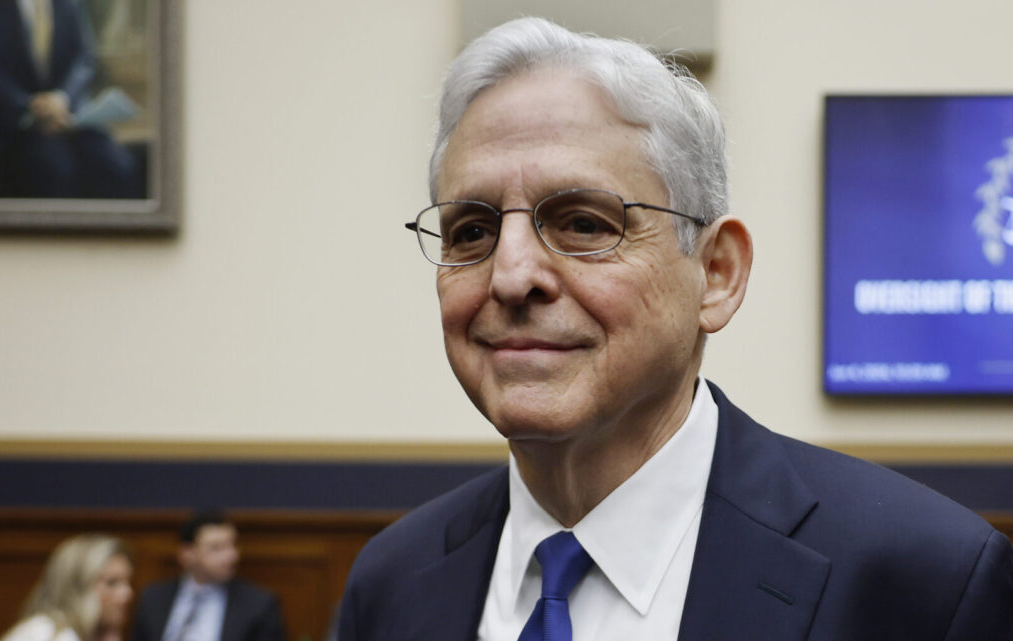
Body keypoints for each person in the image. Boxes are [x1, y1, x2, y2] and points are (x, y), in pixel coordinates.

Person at [336, 16, 1013, 641]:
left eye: (582, 224)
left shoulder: (924, 583)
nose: (511, 277)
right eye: (472, 230)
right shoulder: (392, 583)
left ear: (716, 273)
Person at [0, 0, 138, 198]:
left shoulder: (68, 3)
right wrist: (31, 106)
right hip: (14, 124)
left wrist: (62, 97)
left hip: (67, 116)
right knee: (52, 169)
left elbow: (83, 59)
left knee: (117, 164)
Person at [130, 511, 285, 641]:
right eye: (216, 548)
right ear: (187, 554)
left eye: (233, 545)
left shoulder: (259, 603)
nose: (231, 556)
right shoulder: (153, 598)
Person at [0, 534, 134, 641]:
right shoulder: (47, 634)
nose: (127, 593)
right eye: (112, 583)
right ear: (77, 587)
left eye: (127, 582)